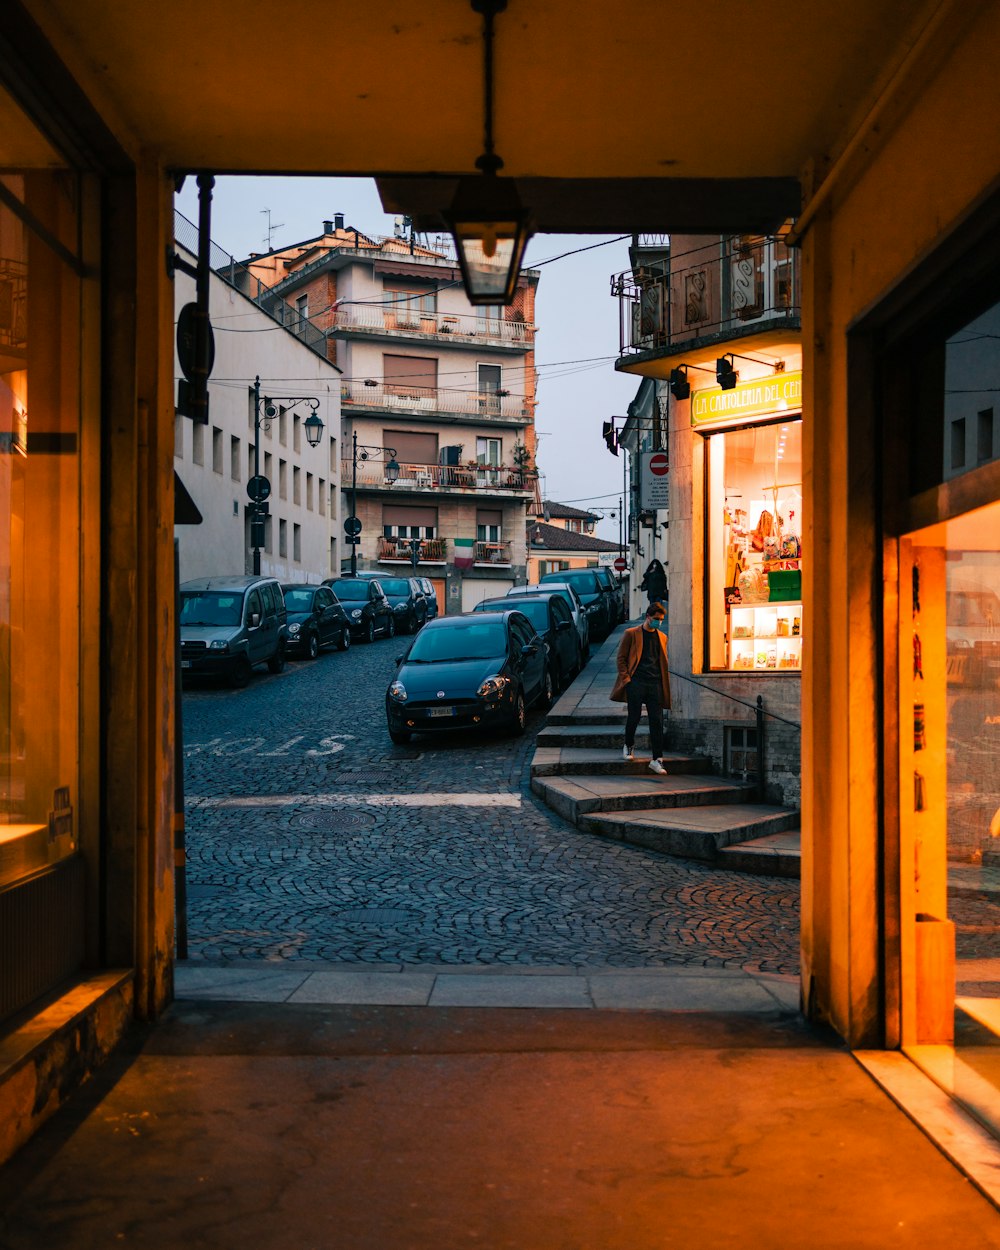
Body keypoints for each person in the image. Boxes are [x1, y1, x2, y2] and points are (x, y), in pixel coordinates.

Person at [610, 601, 671, 774]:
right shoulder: (631, 634)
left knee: (657, 721)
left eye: (661, 619)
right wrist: (627, 680)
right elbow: (621, 658)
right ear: (647, 617)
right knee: (634, 716)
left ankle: (657, 759)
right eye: (656, 618)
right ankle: (628, 745)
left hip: (655, 683)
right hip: (636, 682)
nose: (658, 622)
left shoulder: (662, 637)